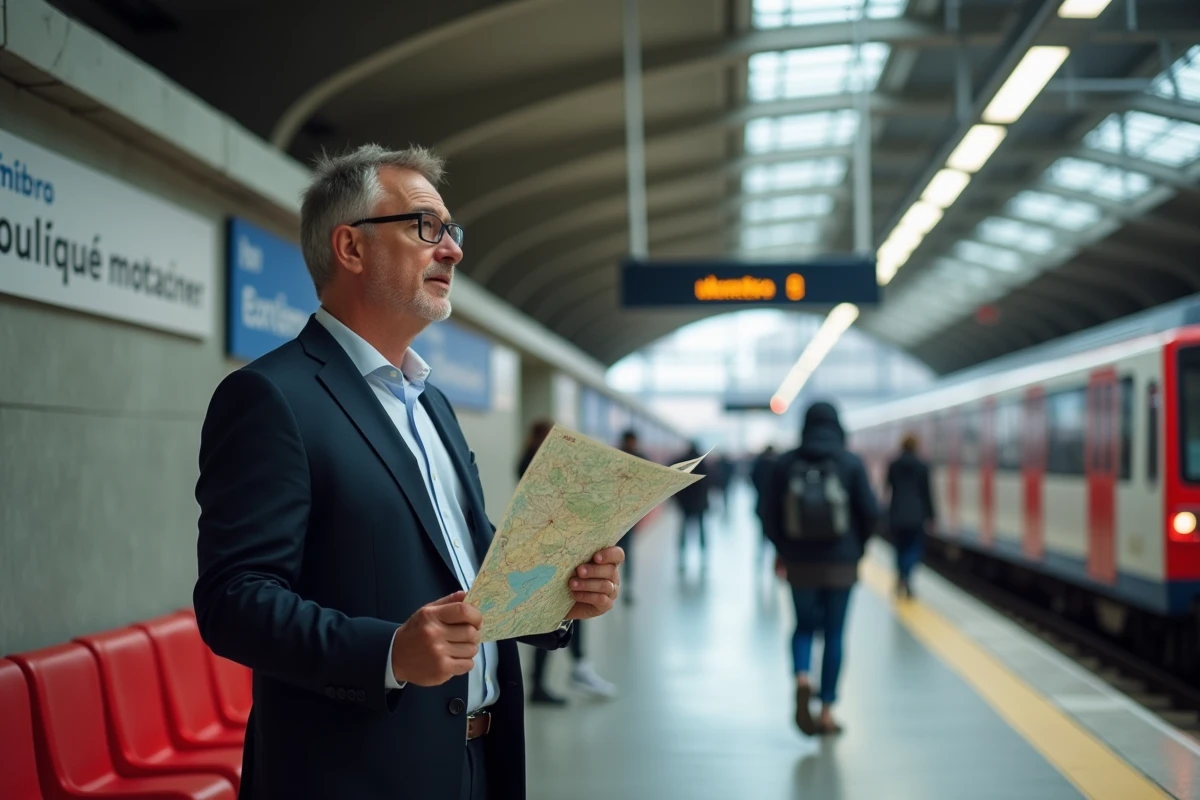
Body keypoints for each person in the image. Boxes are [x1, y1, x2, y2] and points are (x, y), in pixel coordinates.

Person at [193, 144, 624, 800]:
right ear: (351, 247)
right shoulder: (272, 397)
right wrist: (389, 654)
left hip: (479, 759)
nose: (449, 249)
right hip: (353, 775)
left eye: (451, 231)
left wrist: (563, 593)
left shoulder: (434, 406)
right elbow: (234, 602)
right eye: (426, 227)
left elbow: (476, 573)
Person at [763, 402, 877, 737]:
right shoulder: (850, 462)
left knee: (803, 627)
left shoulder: (786, 463)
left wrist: (784, 549)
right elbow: (870, 512)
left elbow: (766, 513)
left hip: (800, 563)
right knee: (835, 634)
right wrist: (857, 548)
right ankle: (826, 712)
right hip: (842, 564)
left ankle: (801, 677)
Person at [518, 420, 618, 705]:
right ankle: (549, 680)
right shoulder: (535, 463)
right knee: (550, 615)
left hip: (550, 548)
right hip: (544, 551)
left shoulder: (533, 460)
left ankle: (575, 667)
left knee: (567, 609)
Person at [886, 433, 936, 599]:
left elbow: (888, 487)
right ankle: (907, 578)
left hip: (897, 513)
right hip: (917, 514)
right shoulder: (923, 466)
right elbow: (927, 493)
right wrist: (931, 516)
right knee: (913, 548)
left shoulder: (893, 465)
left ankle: (900, 577)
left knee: (899, 548)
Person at [616, 429, 645, 604]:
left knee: (627, 553)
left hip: (629, 517)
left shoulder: (639, 457)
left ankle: (626, 587)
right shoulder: (618, 458)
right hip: (617, 516)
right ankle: (614, 586)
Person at [674, 441, 710, 571]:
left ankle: (681, 558)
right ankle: (703, 557)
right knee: (701, 531)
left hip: (686, 505)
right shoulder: (703, 463)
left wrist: (679, 502)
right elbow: (709, 483)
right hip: (700, 504)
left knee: (683, 531)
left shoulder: (683, 463)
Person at [750, 445, 778, 563]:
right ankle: (775, 557)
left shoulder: (759, 464)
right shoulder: (777, 464)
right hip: (774, 506)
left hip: (762, 504)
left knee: (762, 532)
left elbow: (753, 478)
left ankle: (760, 555)